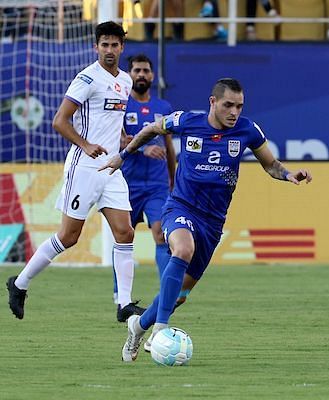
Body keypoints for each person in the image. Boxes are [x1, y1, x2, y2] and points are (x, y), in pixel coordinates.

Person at [98, 78, 312, 362]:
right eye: (228, 105)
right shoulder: (187, 121)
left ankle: (138, 326)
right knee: (183, 249)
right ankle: (160, 330)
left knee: (179, 296)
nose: (234, 112)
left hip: (212, 222)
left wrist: (288, 175)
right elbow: (151, 128)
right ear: (213, 102)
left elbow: (270, 165)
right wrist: (123, 155)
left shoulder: (247, 130)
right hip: (181, 206)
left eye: (239, 106)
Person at [5, 21, 144, 322]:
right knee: (69, 237)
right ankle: (19, 283)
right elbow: (59, 121)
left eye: (114, 44)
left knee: (125, 231)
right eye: (104, 45)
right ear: (96, 47)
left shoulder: (125, 81)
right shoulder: (86, 78)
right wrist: (86, 144)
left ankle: (124, 304)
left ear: (122, 47)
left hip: (111, 167)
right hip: (84, 166)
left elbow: (110, 121)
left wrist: (122, 139)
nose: (109, 50)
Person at [111, 54, 176, 310]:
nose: (141, 74)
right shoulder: (121, 106)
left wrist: (172, 179)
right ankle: (121, 295)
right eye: (137, 70)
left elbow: (169, 147)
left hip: (158, 185)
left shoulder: (164, 107)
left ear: (152, 75)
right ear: (130, 74)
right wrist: (143, 148)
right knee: (123, 237)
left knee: (161, 234)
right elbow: (116, 140)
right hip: (127, 184)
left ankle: (166, 292)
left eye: (146, 71)